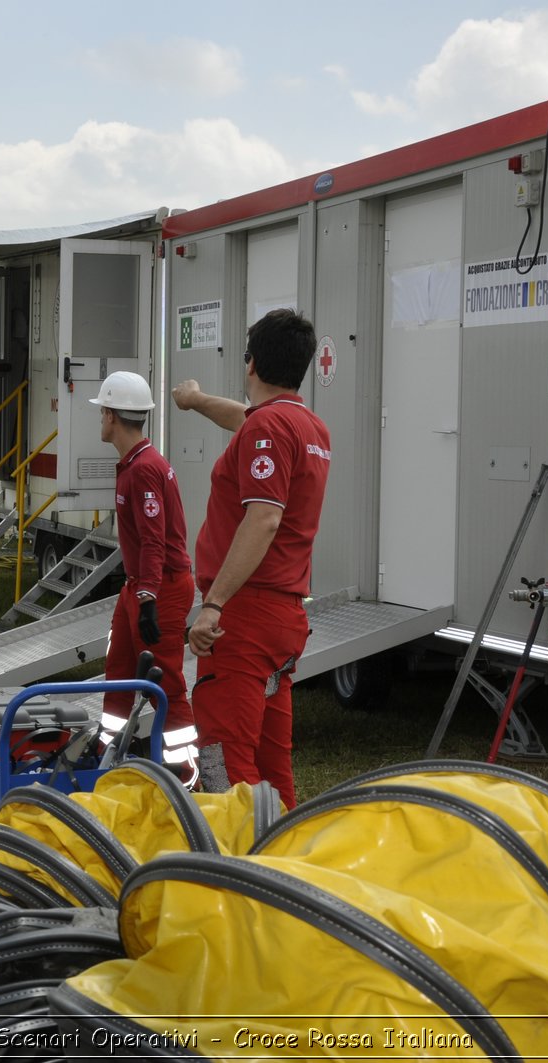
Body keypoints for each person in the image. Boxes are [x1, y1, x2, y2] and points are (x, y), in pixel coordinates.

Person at [174, 308, 330, 808]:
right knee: (270, 761)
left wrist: (214, 603)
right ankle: (284, 864)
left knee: (225, 761)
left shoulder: (267, 430)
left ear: (251, 364)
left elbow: (262, 518)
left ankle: (231, 870)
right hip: (284, 616)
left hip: (244, 616)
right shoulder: (305, 427)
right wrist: (196, 401)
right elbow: (242, 417)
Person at [88, 371, 200, 783]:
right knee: (118, 669)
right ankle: (108, 750)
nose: (99, 419)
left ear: (113, 415)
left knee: (166, 678)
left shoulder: (144, 470)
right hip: (140, 586)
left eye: (102, 411)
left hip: (161, 587)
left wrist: (149, 598)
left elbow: (154, 541)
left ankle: (185, 769)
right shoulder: (136, 464)